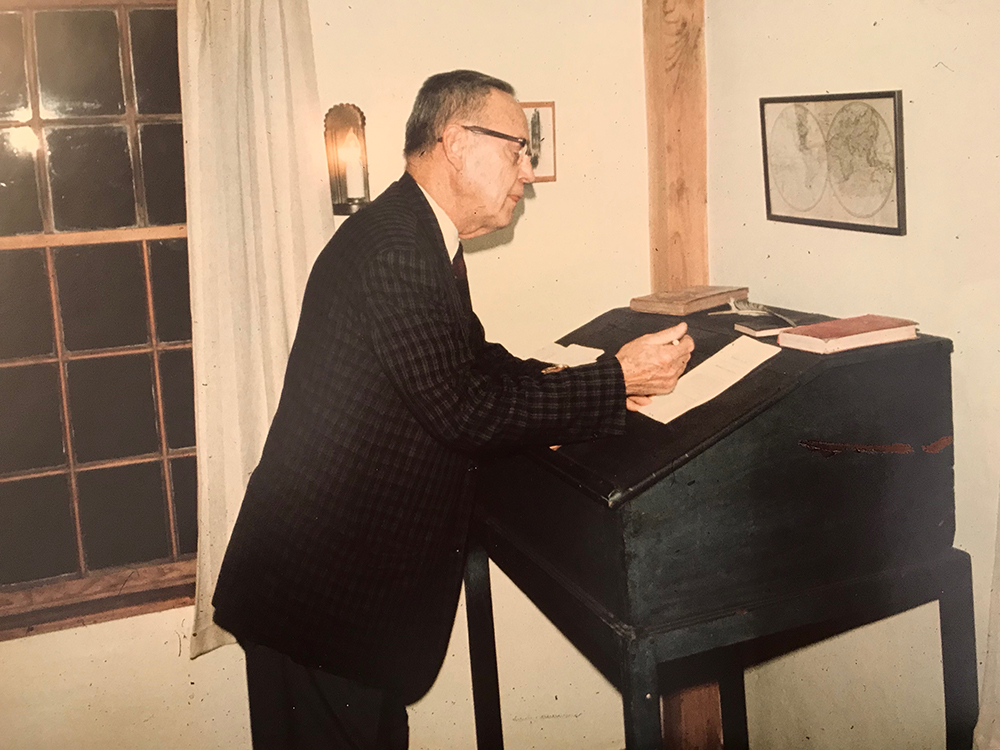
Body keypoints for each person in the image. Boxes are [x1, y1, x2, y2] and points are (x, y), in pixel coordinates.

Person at [211, 69, 694, 750]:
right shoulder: (396, 248)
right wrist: (612, 383)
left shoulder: (418, 233)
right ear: (457, 140)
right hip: (320, 605)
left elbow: (471, 358)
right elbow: (464, 409)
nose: (525, 172)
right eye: (517, 150)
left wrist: (592, 378)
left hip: (339, 603)